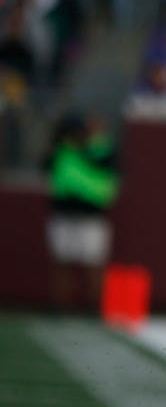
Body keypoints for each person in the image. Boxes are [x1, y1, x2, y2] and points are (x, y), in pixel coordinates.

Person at [46, 114, 119, 312]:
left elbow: (104, 158)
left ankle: (95, 309)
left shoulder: (100, 151)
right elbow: (49, 166)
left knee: (94, 266)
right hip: (64, 215)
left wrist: (93, 139)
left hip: (92, 218)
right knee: (62, 264)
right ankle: (60, 308)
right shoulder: (62, 151)